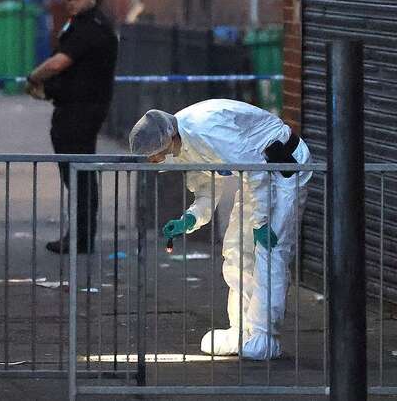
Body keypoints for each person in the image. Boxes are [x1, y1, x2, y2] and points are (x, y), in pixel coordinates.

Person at [128, 99, 312, 360]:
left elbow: (256, 170)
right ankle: (241, 329)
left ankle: (264, 334)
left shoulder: (206, 129)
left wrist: (261, 224)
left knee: (270, 251)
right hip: (256, 173)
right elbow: (206, 189)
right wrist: (190, 219)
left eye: (153, 155)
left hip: (284, 166)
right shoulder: (181, 148)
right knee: (236, 250)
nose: (155, 160)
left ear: (167, 139)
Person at [24, 0, 118, 254]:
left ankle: (80, 237)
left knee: (78, 175)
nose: (71, 2)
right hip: (73, 107)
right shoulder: (82, 25)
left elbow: (59, 63)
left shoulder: (91, 28)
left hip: (81, 110)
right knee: (76, 174)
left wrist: (34, 77)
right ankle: (79, 235)